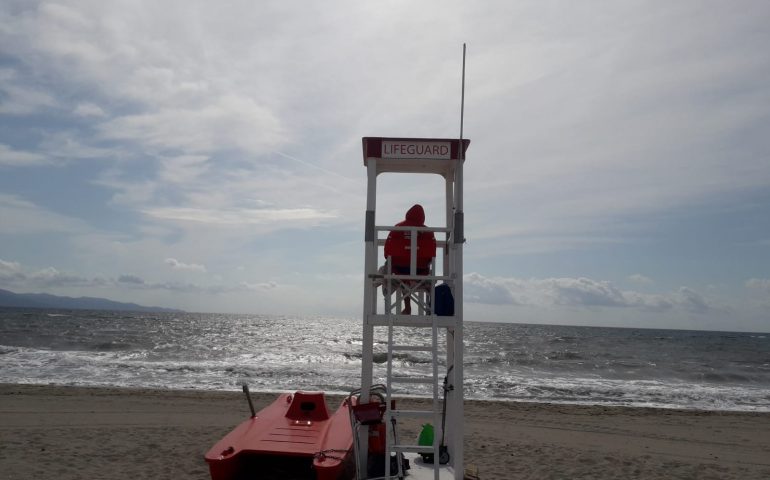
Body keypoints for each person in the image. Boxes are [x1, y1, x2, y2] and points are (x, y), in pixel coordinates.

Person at [382, 204, 436, 314]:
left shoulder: (397, 228)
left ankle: (406, 307)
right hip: (421, 271)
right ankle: (432, 306)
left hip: (398, 270)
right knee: (427, 276)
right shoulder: (428, 233)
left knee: (397, 275)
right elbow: (432, 255)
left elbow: (387, 252)